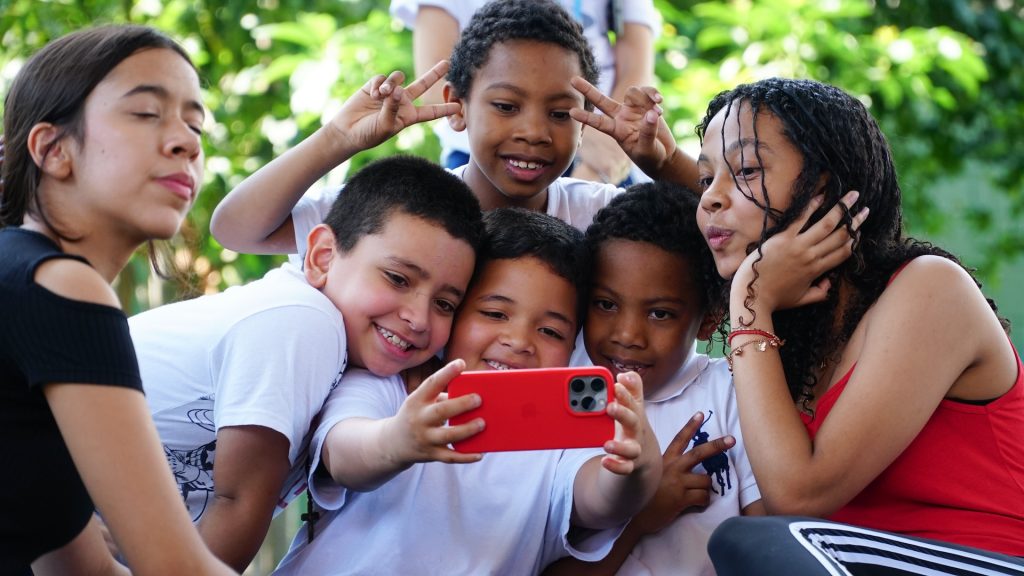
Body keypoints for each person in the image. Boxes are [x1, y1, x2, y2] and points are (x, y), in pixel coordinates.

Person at [692, 77, 1024, 574]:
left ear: (821, 190)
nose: (711, 199)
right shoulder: (796, 339)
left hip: (990, 562)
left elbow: (798, 498)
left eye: (746, 169)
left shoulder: (931, 290)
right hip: (858, 559)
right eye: (704, 180)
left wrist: (751, 298)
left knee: (749, 541)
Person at [127, 155, 483, 571]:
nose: (418, 318)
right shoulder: (303, 321)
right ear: (321, 256)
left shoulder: (339, 350)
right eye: (397, 279)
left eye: (444, 304)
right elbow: (237, 503)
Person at [271, 208, 662, 575]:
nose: (519, 341)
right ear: (452, 313)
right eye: (494, 313)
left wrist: (635, 467)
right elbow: (341, 452)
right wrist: (398, 439)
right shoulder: (393, 385)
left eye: (550, 331)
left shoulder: (561, 441)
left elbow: (599, 502)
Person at [0, 25, 233, 575]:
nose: (187, 142)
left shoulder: (24, 276)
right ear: (54, 150)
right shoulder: (59, 285)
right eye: (147, 114)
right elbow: (175, 567)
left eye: (195, 124)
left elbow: (79, 565)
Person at [209, 0, 696, 261]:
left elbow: (733, 229)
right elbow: (236, 229)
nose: (533, 131)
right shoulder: (404, 212)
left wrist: (661, 162)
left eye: (560, 113)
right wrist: (337, 138)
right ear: (456, 107)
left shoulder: (596, 213)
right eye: (506, 105)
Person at [545, 182, 763, 576]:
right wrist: (641, 514)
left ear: (710, 318)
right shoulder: (559, 396)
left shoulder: (733, 392)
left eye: (659, 313)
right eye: (606, 305)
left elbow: (765, 540)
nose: (627, 335)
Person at [389, 0, 659, 186]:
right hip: (479, 157)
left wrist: (598, 151)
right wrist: (571, 126)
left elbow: (637, 68)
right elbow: (435, 82)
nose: (532, 131)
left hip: (603, 152)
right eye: (506, 105)